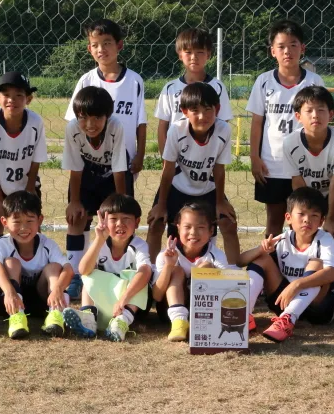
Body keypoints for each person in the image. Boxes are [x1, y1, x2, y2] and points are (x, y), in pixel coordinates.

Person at [247, 19, 325, 237]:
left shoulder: (314, 81)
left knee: (303, 221)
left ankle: (300, 257)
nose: (287, 51)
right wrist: (254, 157)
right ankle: (271, 257)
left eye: (293, 45)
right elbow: (257, 123)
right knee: (274, 220)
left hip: (305, 163)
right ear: (273, 51)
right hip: (272, 164)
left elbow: (321, 122)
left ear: (302, 48)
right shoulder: (263, 81)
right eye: (281, 46)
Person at [147, 82, 239, 263]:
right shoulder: (176, 130)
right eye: (195, 110)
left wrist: (220, 202)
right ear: (184, 111)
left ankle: (233, 273)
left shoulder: (224, 130)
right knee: (156, 223)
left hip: (207, 188)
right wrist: (162, 204)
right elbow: (168, 170)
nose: (202, 116)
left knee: (228, 223)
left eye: (208, 110)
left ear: (217, 109)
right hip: (178, 187)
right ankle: (151, 271)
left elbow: (219, 169)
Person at [0, 71, 48, 304]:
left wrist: (29, 188)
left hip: (25, 183)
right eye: (6, 94)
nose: (12, 100)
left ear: (29, 99)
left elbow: (37, 158)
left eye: (19, 95)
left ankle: (33, 275)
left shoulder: (35, 122)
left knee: (30, 226)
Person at [239, 187, 334, 343]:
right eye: (301, 214)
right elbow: (240, 261)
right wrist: (261, 249)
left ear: (321, 221)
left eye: (314, 215)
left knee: (316, 264)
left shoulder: (325, 239)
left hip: (318, 308)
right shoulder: (283, 239)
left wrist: (297, 284)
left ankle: (288, 319)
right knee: (261, 259)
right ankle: (243, 315)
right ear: (288, 217)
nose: (307, 220)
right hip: (284, 301)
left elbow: (333, 272)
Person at [282, 85, 334, 295]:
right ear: (298, 116)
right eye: (309, 110)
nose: (315, 115)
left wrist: (330, 217)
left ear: (331, 114)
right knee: (304, 231)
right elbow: (297, 182)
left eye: (321, 110)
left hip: (333, 190)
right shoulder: (290, 143)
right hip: (306, 192)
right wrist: (306, 210)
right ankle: (301, 275)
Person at [62, 86, 129, 301]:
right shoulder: (72, 129)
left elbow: (119, 169)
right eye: (83, 117)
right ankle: (75, 275)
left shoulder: (116, 127)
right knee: (76, 217)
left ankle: (117, 272)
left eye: (97, 118)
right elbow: (75, 168)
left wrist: (121, 206)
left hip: (113, 176)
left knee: (118, 222)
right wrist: (74, 201)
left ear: (107, 115)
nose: (90, 125)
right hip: (87, 173)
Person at [64, 18, 146, 181]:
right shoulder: (86, 80)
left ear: (119, 45)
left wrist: (140, 155)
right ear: (89, 49)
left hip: (124, 160)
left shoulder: (134, 81)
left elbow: (141, 122)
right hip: (90, 160)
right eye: (95, 45)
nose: (101, 49)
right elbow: (74, 122)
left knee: (120, 197)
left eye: (107, 43)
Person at [64, 194, 154, 342]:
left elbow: (145, 272)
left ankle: (121, 322)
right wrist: (99, 239)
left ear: (137, 222)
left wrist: (123, 300)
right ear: (104, 221)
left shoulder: (139, 246)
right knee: (89, 275)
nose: (120, 224)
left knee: (140, 276)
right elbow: (83, 270)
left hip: (132, 305)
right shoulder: (100, 244)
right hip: (108, 303)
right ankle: (88, 318)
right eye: (113, 219)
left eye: (126, 219)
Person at [0, 191, 73, 340]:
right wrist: (9, 291)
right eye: (17, 222)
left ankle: (55, 315)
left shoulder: (48, 244)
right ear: (4, 222)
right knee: (10, 262)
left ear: (40, 220)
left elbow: (68, 269)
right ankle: (17, 318)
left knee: (54, 267)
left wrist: (58, 289)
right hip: (9, 301)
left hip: (42, 302)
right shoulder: (2, 243)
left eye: (29, 221)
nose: (23, 228)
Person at [152, 202, 229, 343]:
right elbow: (157, 296)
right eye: (187, 227)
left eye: (201, 227)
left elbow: (225, 292)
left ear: (211, 231)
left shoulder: (217, 256)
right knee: (177, 270)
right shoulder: (165, 254)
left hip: (204, 312)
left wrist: (204, 273)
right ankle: (179, 321)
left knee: (206, 267)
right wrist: (169, 266)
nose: (193, 233)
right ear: (178, 227)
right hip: (168, 311)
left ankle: (199, 319)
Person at [154, 28, 234, 153]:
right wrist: (165, 157)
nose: (194, 57)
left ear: (208, 54)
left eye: (200, 52)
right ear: (180, 55)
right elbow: (163, 126)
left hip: (206, 156)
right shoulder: (170, 88)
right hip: (176, 157)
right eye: (188, 52)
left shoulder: (217, 87)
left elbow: (223, 124)